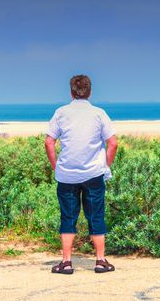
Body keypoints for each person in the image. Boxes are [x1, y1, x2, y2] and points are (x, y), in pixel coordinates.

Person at [45, 74, 118, 274]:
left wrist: (55, 166)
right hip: (94, 174)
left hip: (66, 176)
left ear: (71, 92)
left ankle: (67, 262)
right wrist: (105, 166)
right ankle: (100, 261)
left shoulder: (61, 113)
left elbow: (49, 142)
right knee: (96, 216)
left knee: (68, 217)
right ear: (89, 91)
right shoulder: (99, 114)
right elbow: (113, 143)